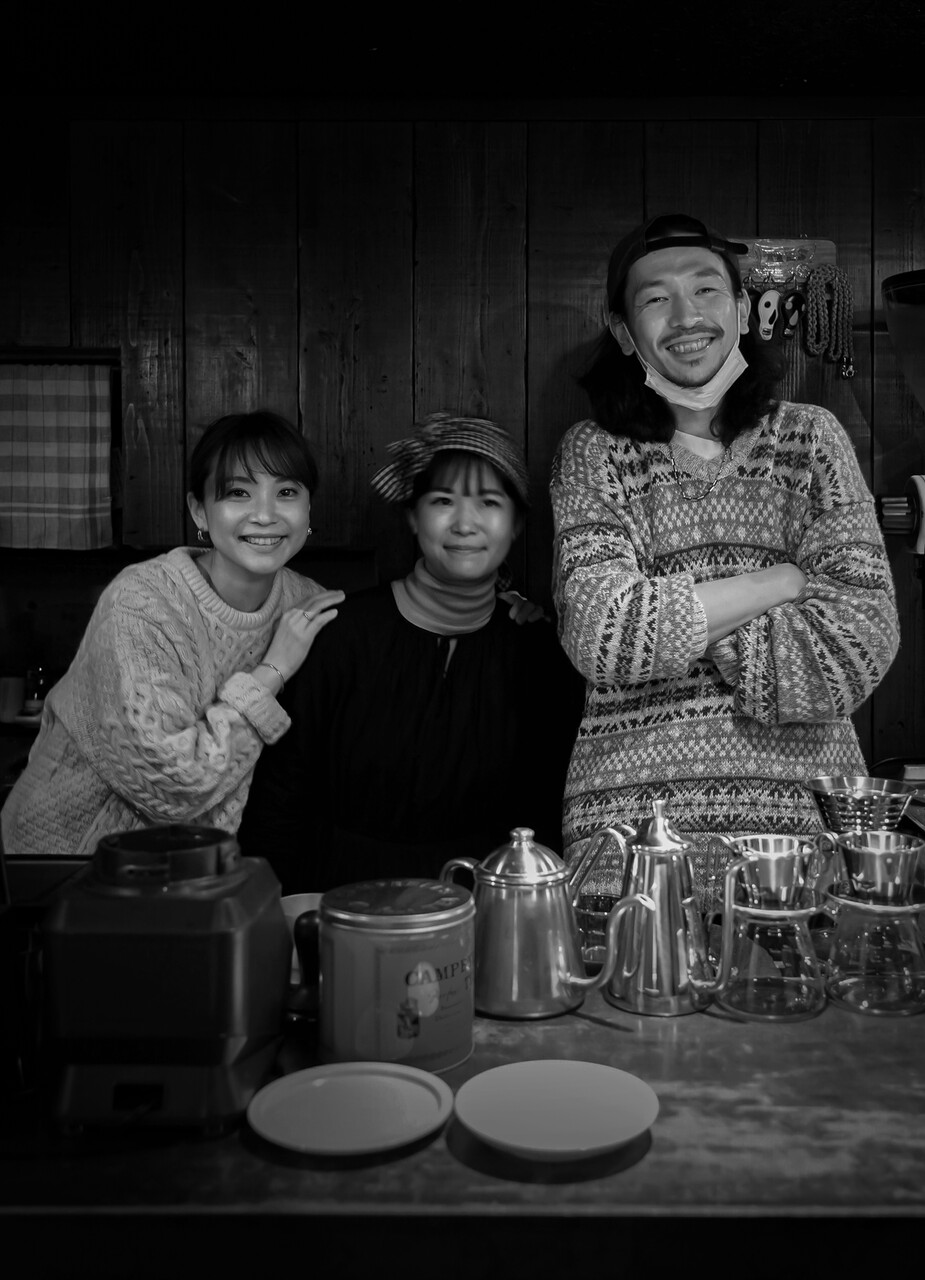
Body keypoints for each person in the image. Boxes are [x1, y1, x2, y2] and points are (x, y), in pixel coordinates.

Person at [550, 213, 899, 905]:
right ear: (623, 330)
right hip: (628, 841)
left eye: (705, 290)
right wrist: (783, 581)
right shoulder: (594, 452)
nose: (686, 317)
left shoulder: (811, 438)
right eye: (655, 298)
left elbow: (858, 646)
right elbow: (601, 633)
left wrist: (672, 623)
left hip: (805, 833)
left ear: (741, 309)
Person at [238, 412, 584, 892]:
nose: (465, 523)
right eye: (443, 501)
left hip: (488, 908)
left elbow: (550, 817)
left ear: (517, 523)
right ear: (413, 517)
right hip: (341, 905)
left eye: (489, 503)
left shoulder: (540, 654)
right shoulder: (339, 635)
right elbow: (278, 801)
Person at [1, 411, 344, 860]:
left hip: (201, 865)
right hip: (73, 858)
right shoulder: (142, 601)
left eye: (286, 492)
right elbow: (174, 786)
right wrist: (273, 671)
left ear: (308, 508)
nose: (265, 515)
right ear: (199, 510)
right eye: (238, 492)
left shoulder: (307, 602)